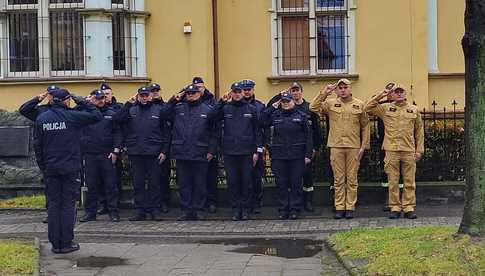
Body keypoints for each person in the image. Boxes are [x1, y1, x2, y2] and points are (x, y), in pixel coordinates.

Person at [34, 88, 102, 254]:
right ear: (66, 100)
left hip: (51, 168)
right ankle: (65, 243)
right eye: (69, 100)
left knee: (54, 205)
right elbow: (96, 116)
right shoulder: (72, 117)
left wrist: (44, 166)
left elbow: (37, 146)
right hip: (70, 168)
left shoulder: (42, 119)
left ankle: (55, 243)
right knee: (68, 205)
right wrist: (82, 101)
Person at [310, 79, 370, 219]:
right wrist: (324, 93)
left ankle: (350, 207)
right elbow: (313, 107)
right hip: (336, 145)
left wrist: (363, 146)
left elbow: (365, 126)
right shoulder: (330, 104)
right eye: (340, 88)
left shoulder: (359, 105)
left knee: (352, 178)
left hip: (353, 146)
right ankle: (339, 206)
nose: (343, 90)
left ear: (350, 89)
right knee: (338, 179)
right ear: (337, 90)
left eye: (345, 87)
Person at [364, 84, 424, 219]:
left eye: (401, 92)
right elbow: (367, 107)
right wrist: (382, 94)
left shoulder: (413, 110)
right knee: (393, 181)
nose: (399, 94)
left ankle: (409, 207)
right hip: (391, 150)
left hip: (409, 150)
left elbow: (420, 132)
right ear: (392, 94)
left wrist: (419, 150)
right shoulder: (385, 108)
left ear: (405, 93)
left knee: (409, 181)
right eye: (396, 92)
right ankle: (395, 207)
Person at [160, 84, 218, 221]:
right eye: (188, 93)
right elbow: (163, 114)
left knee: (199, 184)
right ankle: (186, 210)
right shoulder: (178, 108)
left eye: (193, 93)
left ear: (199, 94)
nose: (190, 95)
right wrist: (174, 99)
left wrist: (211, 150)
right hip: (182, 152)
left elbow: (214, 133)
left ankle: (198, 210)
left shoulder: (208, 109)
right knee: (184, 184)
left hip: (200, 151)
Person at [114, 86, 168, 221]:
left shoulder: (159, 110)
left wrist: (164, 151)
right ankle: (140, 211)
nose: (144, 98)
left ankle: (154, 210)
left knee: (154, 183)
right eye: (141, 95)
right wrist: (127, 104)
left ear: (151, 96)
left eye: (146, 95)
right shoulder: (131, 109)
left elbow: (166, 133)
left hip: (154, 153)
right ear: (138, 96)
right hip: (136, 152)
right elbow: (117, 119)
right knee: (138, 183)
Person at [261, 92, 312, 220]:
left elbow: (308, 137)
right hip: (279, 156)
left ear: (293, 102)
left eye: (288, 101)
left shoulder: (301, 116)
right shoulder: (275, 115)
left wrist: (307, 154)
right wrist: (273, 106)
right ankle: (283, 209)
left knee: (296, 184)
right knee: (281, 184)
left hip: (297, 156)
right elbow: (261, 121)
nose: (286, 104)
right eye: (283, 102)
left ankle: (295, 209)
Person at [217, 82, 262, 220]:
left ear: (243, 93)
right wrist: (221, 102)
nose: (237, 94)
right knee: (232, 181)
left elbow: (257, 131)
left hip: (247, 152)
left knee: (246, 181)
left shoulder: (252, 108)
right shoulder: (225, 108)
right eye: (234, 92)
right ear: (231, 93)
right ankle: (236, 209)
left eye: (239, 92)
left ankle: (246, 209)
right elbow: (213, 118)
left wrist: (256, 151)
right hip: (230, 152)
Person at [79, 90, 122, 223]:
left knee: (111, 186)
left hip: (107, 155)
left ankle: (113, 212)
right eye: (97, 98)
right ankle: (90, 213)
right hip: (90, 155)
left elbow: (118, 133)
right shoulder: (86, 115)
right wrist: (85, 103)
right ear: (92, 99)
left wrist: (115, 151)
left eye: (103, 98)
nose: (101, 100)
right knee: (91, 186)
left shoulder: (111, 114)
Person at [19, 85, 58, 223]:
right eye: (51, 94)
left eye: (55, 94)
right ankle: (51, 213)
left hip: (62, 152)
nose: (53, 97)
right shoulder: (41, 110)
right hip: (47, 154)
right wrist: (37, 99)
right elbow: (23, 110)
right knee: (50, 186)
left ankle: (65, 213)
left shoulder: (66, 111)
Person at [193, 77, 219, 213]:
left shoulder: (212, 101)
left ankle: (211, 201)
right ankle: (199, 203)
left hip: (208, 145)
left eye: (200, 87)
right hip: (195, 147)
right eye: (195, 87)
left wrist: (212, 149)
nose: (198, 90)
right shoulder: (188, 98)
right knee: (197, 178)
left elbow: (215, 127)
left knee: (210, 177)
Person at [240, 79, 266, 214]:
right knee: (244, 177)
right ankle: (246, 203)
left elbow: (263, 128)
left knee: (256, 177)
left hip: (256, 147)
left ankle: (256, 201)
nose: (247, 91)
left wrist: (261, 147)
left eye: (249, 89)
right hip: (241, 148)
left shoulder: (260, 106)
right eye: (244, 89)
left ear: (253, 90)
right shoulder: (236, 105)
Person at [98, 83, 123, 215]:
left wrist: (118, 149)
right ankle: (104, 204)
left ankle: (115, 204)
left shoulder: (118, 107)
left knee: (114, 180)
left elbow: (120, 129)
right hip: (99, 151)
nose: (105, 97)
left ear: (112, 94)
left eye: (107, 94)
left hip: (114, 150)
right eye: (103, 94)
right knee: (101, 180)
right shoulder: (96, 108)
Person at [150, 83, 171, 213]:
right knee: (151, 179)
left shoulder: (166, 107)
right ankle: (152, 203)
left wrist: (165, 150)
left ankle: (164, 202)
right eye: (152, 91)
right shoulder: (143, 106)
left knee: (164, 178)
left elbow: (168, 131)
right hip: (148, 149)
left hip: (163, 149)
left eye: (157, 90)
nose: (155, 93)